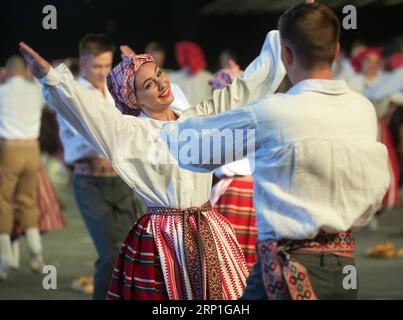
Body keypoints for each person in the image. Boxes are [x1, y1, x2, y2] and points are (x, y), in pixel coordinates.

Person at [19, 28, 286, 299]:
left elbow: (244, 90)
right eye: (148, 85)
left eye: (158, 73)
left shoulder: (198, 118)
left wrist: (286, 38)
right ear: (135, 100)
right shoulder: (132, 134)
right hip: (163, 238)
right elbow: (90, 113)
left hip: (208, 228)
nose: (160, 83)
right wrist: (51, 78)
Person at [161, 2, 390, 299]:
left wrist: (170, 116)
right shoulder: (362, 109)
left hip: (287, 269)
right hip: (343, 264)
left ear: (286, 54)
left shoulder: (273, 113)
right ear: (335, 50)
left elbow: (192, 150)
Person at [0, 55, 46, 280]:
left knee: (3, 200)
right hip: (32, 149)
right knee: (28, 199)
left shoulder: (2, 91)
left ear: (6, 71)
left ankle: (6, 257)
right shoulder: (35, 90)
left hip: (9, 149)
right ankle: (36, 252)